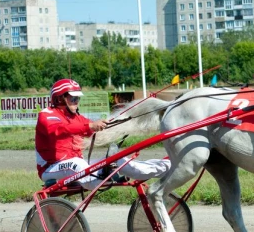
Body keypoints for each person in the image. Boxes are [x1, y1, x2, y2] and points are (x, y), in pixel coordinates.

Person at [35, 79, 171, 190]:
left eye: (78, 99)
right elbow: (62, 129)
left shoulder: (76, 117)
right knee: (75, 164)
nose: (77, 102)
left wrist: (114, 124)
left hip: (78, 166)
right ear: (60, 99)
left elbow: (89, 127)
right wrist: (90, 126)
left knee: (118, 159)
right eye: (73, 98)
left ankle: (166, 166)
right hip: (50, 169)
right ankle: (106, 174)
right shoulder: (46, 115)